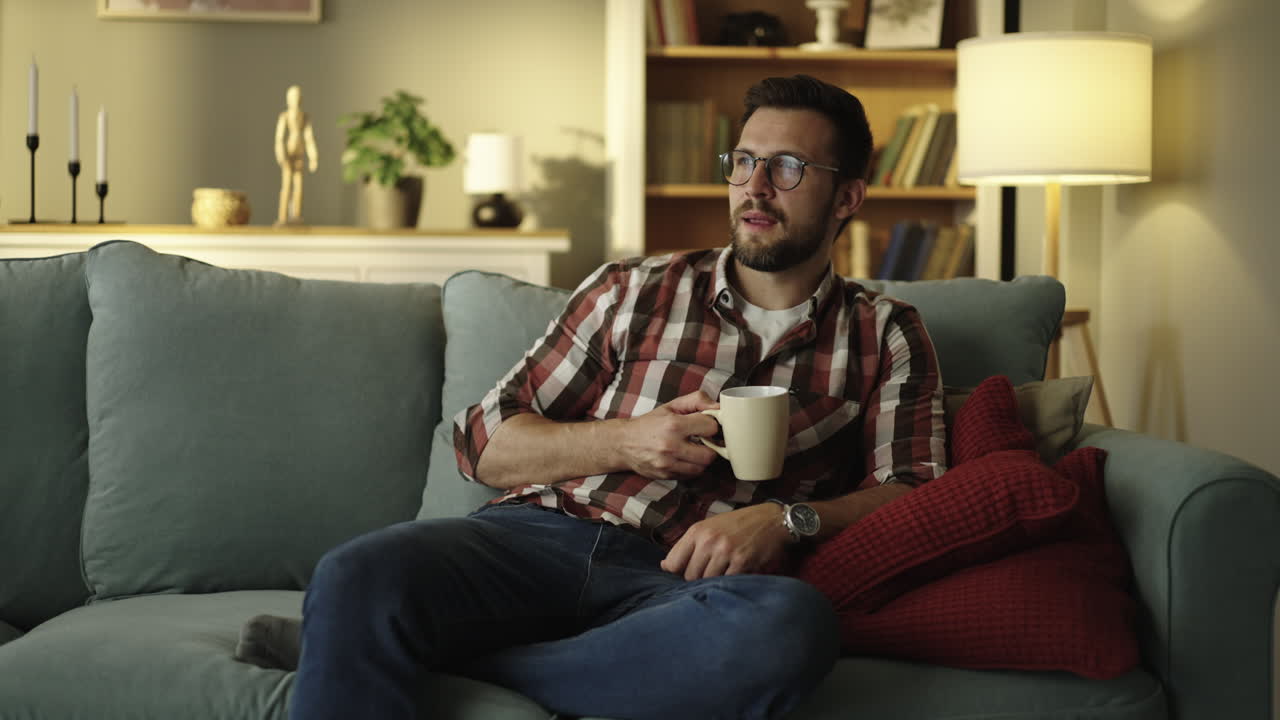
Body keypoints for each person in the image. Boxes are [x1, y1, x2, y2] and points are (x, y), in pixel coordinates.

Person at [235, 74, 947, 720]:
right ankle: (399, 637)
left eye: (788, 167)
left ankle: (453, 659)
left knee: (790, 627)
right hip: (538, 540)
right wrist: (626, 440)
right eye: (743, 161)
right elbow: (482, 440)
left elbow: (917, 491)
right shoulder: (634, 289)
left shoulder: (883, 332)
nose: (754, 187)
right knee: (358, 572)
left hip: (682, 587)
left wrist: (784, 520)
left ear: (847, 196)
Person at [274, 84, 318, 226]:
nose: (296, 100)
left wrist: (313, 157)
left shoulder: (304, 117)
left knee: (299, 185)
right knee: (287, 185)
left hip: (299, 153)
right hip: (288, 154)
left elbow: (309, 138)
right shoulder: (285, 116)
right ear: (288, 99)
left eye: (298, 97)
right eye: (293, 97)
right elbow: (279, 138)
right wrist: (281, 155)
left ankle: (296, 215)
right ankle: (283, 216)